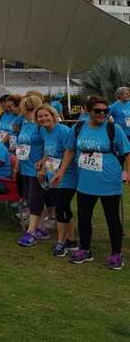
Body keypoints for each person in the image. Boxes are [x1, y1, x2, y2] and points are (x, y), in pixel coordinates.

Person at [54, 96, 130, 270]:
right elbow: (70, 150)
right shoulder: (79, 127)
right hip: (85, 181)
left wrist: (128, 172)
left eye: (105, 110)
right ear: (88, 111)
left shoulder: (114, 128)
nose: (102, 114)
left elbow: (127, 152)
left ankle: (116, 254)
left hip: (109, 180)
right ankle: (85, 249)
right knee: (84, 216)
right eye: (98, 110)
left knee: (112, 217)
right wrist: (61, 171)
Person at [35, 105, 77, 257]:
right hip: (52, 174)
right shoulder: (44, 131)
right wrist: (42, 164)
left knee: (61, 207)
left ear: (53, 116)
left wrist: (61, 170)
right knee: (63, 208)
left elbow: (70, 152)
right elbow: (49, 152)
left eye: (46, 115)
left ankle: (61, 242)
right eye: (40, 116)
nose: (43, 119)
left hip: (68, 175)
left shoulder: (64, 131)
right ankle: (71, 240)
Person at [15, 95, 48, 247]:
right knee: (29, 198)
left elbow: (48, 145)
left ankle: (31, 231)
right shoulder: (24, 123)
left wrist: (44, 165)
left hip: (36, 168)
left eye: (21, 105)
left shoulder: (39, 126)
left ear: (27, 107)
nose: (19, 108)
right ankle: (41, 227)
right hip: (25, 166)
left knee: (35, 199)